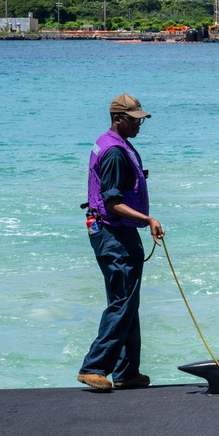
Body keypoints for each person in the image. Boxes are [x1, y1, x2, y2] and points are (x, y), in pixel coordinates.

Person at [78, 94, 164, 391]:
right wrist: (147, 219)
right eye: (135, 119)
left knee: (127, 300)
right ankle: (94, 367)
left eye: (141, 118)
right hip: (112, 233)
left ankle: (127, 372)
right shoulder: (115, 153)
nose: (140, 123)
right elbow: (112, 203)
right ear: (118, 119)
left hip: (113, 232)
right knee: (122, 301)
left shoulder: (111, 142)